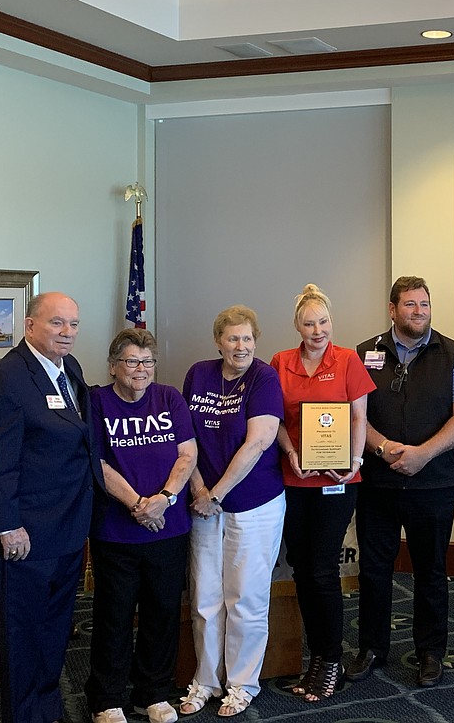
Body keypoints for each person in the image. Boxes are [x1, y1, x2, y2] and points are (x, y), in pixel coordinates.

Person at [0, 291, 103, 723]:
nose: (67, 333)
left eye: (74, 324)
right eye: (57, 323)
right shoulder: (5, 379)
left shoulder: (69, 369)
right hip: (22, 538)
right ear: (30, 326)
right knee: (23, 641)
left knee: (53, 632)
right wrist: (7, 526)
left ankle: (47, 709)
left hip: (64, 529)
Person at [346, 276, 454, 688]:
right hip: (378, 485)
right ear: (392, 309)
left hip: (433, 483)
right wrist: (383, 446)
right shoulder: (363, 353)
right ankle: (371, 649)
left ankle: (430, 653)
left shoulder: (453, 355)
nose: (418, 311)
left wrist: (424, 454)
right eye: (409, 304)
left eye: (424, 304)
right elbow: (355, 415)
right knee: (374, 571)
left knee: (431, 572)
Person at [270, 284, 375, 703]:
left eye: (324, 322)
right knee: (300, 568)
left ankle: (330, 658)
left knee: (322, 570)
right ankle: (316, 657)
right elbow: (272, 419)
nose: (318, 330)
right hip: (295, 479)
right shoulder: (280, 362)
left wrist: (353, 462)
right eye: (310, 323)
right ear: (297, 325)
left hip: (338, 483)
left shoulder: (348, 360)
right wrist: (292, 451)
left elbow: (359, 419)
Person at [86, 329, 197, 723]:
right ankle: (106, 698)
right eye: (132, 361)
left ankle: (152, 693)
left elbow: (187, 454)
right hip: (116, 530)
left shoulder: (169, 398)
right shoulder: (96, 401)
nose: (141, 370)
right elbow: (97, 462)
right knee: (114, 614)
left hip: (169, 525)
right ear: (113, 365)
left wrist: (164, 498)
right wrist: (137, 504)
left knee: (162, 611)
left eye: (147, 361)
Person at [180, 306, 285, 718]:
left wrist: (216, 493)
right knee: (204, 596)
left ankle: (241, 684)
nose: (240, 346)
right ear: (218, 341)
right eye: (232, 338)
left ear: (255, 341)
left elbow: (258, 442)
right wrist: (198, 489)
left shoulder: (264, 378)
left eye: (247, 338)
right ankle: (205, 680)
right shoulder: (197, 374)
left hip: (253, 504)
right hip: (203, 501)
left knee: (245, 598)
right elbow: (184, 437)